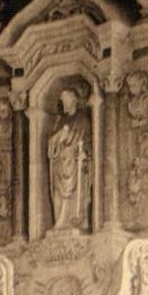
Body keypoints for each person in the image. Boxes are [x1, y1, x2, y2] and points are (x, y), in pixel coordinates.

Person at [47, 88, 91, 230]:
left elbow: (88, 141)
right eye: (62, 101)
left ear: (74, 101)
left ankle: (75, 220)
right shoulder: (61, 121)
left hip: (74, 164)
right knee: (58, 193)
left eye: (66, 101)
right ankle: (60, 221)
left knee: (73, 191)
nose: (64, 104)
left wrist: (84, 153)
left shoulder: (82, 120)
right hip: (60, 163)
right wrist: (57, 138)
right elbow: (53, 142)